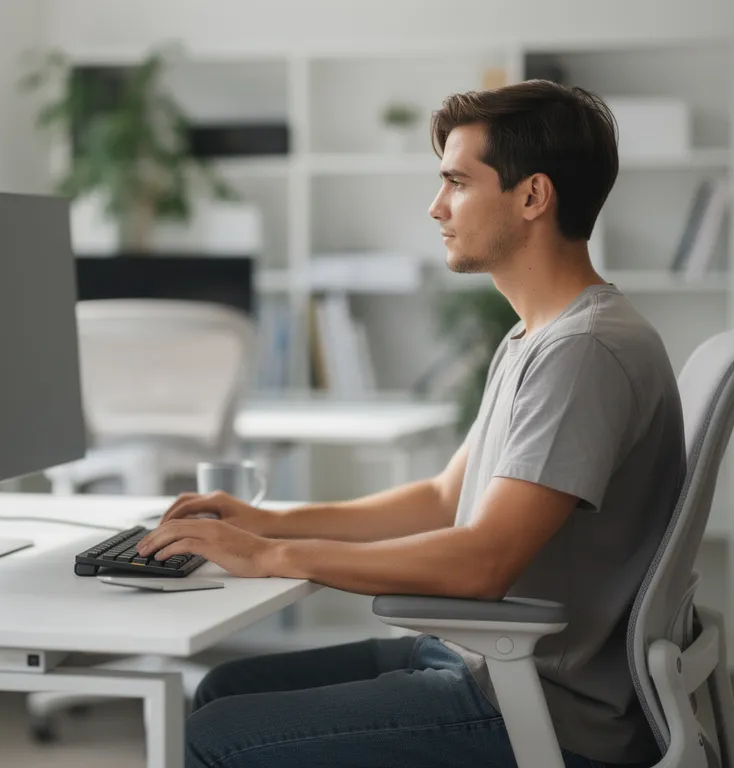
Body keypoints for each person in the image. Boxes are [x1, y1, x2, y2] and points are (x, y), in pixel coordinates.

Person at [135, 80, 686, 768]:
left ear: (532, 196)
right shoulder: (537, 338)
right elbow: (439, 500)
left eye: (457, 182)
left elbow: (483, 562)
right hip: (485, 660)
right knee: (221, 689)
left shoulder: (584, 353)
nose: (436, 208)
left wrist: (274, 557)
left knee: (214, 740)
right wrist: (263, 522)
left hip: (533, 705)